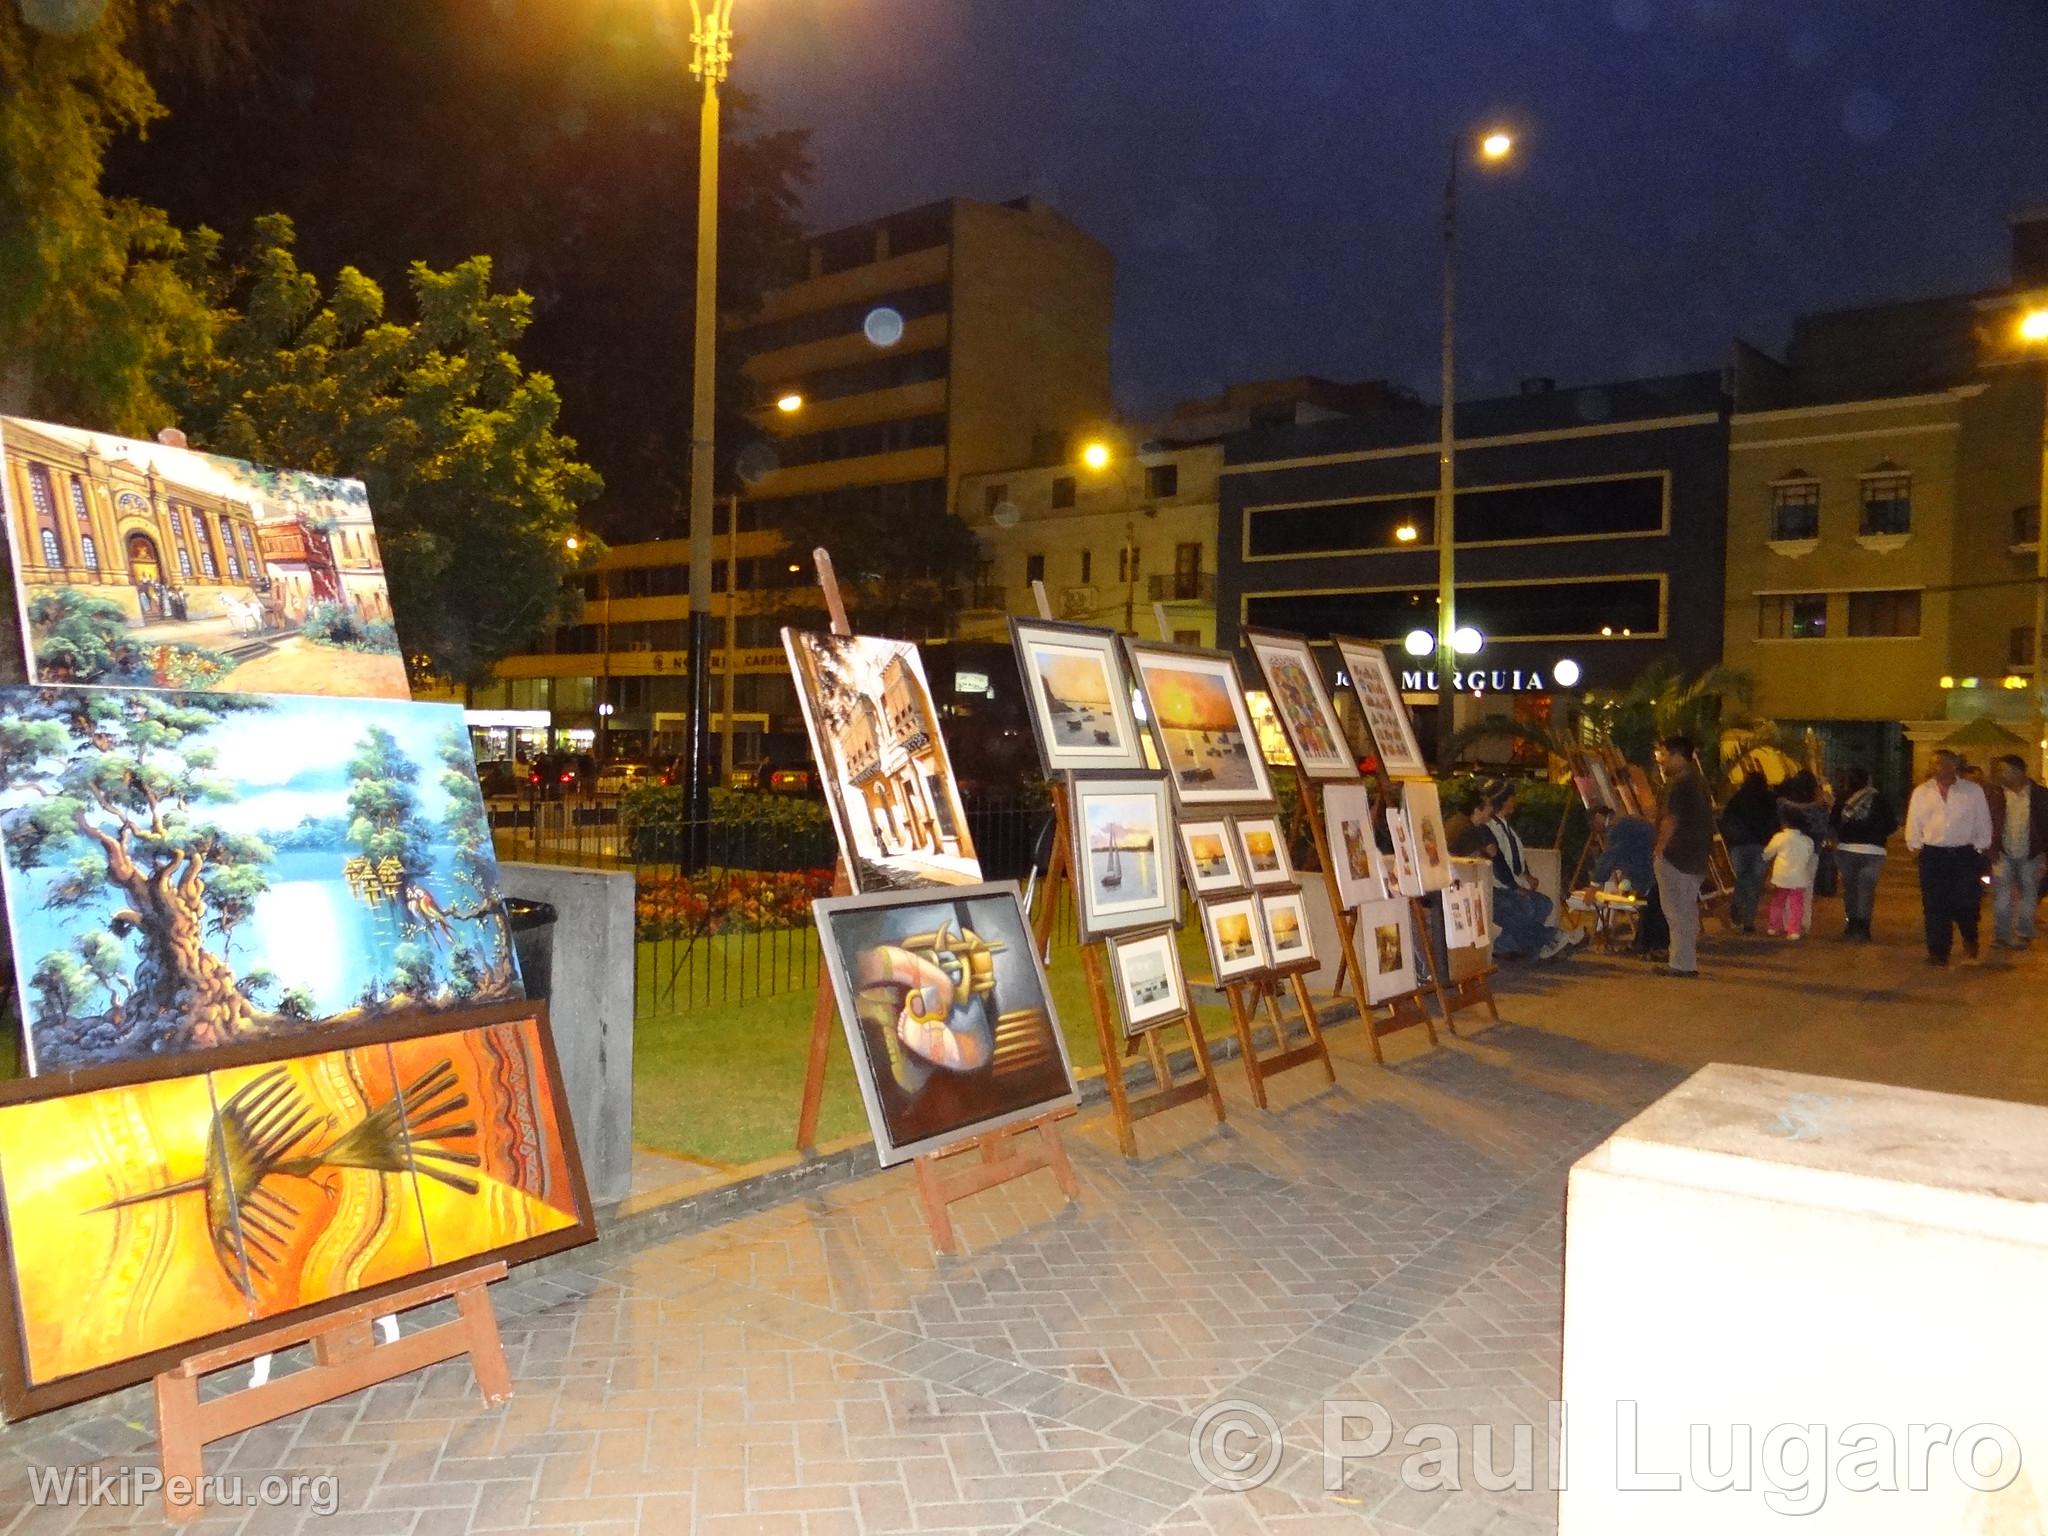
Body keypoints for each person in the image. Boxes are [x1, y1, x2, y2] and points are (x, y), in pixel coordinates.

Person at [1904, 749, 1993, 965]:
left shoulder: (1972, 791)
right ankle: (1938, 951)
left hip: (1963, 854)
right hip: (1934, 854)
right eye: (1933, 763)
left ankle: (1970, 936)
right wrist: (1914, 845)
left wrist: (1980, 847)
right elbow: (1913, 821)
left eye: (1942, 763)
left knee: (1966, 902)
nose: (1936, 768)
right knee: (1935, 904)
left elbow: (1983, 821)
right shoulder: (1922, 792)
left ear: (1954, 766)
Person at [1487, 783, 1581, 960]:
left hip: (1512, 884)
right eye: (1511, 798)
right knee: (1526, 908)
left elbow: (1516, 856)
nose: (1515, 801)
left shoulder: (1506, 826)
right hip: (1499, 888)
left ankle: (1506, 944)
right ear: (1504, 801)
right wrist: (1515, 887)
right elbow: (1498, 864)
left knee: (1543, 904)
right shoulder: (1490, 828)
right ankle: (1551, 937)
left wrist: (1527, 876)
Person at [1652, 735, 1715, 977]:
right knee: (1686, 911)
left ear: (1678, 756)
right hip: (1696, 855)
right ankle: (1684, 961)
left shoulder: (1678, 783)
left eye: (1664, 756)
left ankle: (1681, 965)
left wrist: (1660, 847)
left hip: (1677, 855)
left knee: (1676, 912)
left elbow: (1672, 818)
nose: (1662, 762)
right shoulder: (1698, 780)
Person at [1987, 753, 2048, 950]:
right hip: (2002, 853)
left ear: (2017, 771)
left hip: (2032, 854)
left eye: (2003, 770)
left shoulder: (2041, 795)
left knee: (2028, 895)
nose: (2000, 774)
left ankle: (2023, 934)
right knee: (2001, 896)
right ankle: (2001, 936)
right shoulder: (1995, 794)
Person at [1830, 764, 1896, 941]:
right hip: (1873, 850)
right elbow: (1892, 823)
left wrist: (1845, 833)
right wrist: (1876, 833)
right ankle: (1864, 925)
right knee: (1866, 889)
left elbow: (1833, 822)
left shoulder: (1843, 799)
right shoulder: (1879, 799)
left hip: (1847, 849)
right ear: (1868, 780)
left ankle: (1852, 923)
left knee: (1850, 889)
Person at [1719, 770, 1777, 933]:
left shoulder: (1737, 798)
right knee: (1755, 884)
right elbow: (1775, 822)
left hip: (1739, 845)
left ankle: (1737, 906)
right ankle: (1748, 921)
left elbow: (1726, 819)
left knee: (1741, 878)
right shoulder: (1769, 799)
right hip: (1761, 845)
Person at [1761, 806, 1818, 940]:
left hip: (1782, 876)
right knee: (1796, 904)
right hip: (1799, 876)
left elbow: (1767, 854)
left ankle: (1773, 927)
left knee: (1777, 902)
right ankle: (1794, 930)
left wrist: (1765, 856)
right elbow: (1809, 856)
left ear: (1784, 822)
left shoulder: (1779, 837)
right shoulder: (1807, 840)